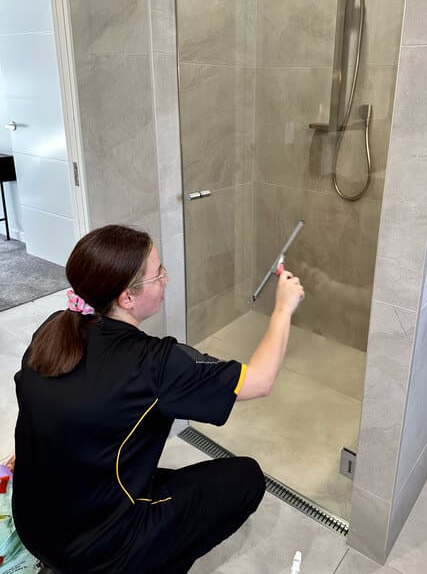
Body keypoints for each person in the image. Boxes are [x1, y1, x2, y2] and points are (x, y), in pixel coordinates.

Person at [12, 224, 304, 573]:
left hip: (34, 524)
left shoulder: (54, 329)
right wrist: (283, 310)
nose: (165, 279)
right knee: (246, 479)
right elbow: (260, 380)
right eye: (158, 273)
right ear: (127, 298)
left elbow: (35, 405)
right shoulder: (155, 364)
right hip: (95, 549)